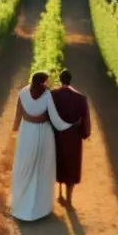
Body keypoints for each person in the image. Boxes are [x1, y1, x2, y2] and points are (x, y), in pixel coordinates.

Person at [9, 71, 79, 222]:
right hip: (43, 134)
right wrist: (70, 125)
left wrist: (16, 128)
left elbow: (18, 116)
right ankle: (39, 209)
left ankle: (20, 205)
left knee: (24, 165)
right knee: (41, 170)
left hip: (27, 133)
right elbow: (55, 119)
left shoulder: (23, 92)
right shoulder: (47, 95)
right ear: (43, 82)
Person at [51, 69, 90, 207]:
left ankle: (60, 194)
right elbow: (85, 121)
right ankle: (69, 199)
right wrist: (84, 134)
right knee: (71, 166)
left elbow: (48, 116)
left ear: (60, 79)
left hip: (57, 135)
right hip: (73, 137)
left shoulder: (52, 95)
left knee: (59, 164)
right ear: (70, 80)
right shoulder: (81, 98)